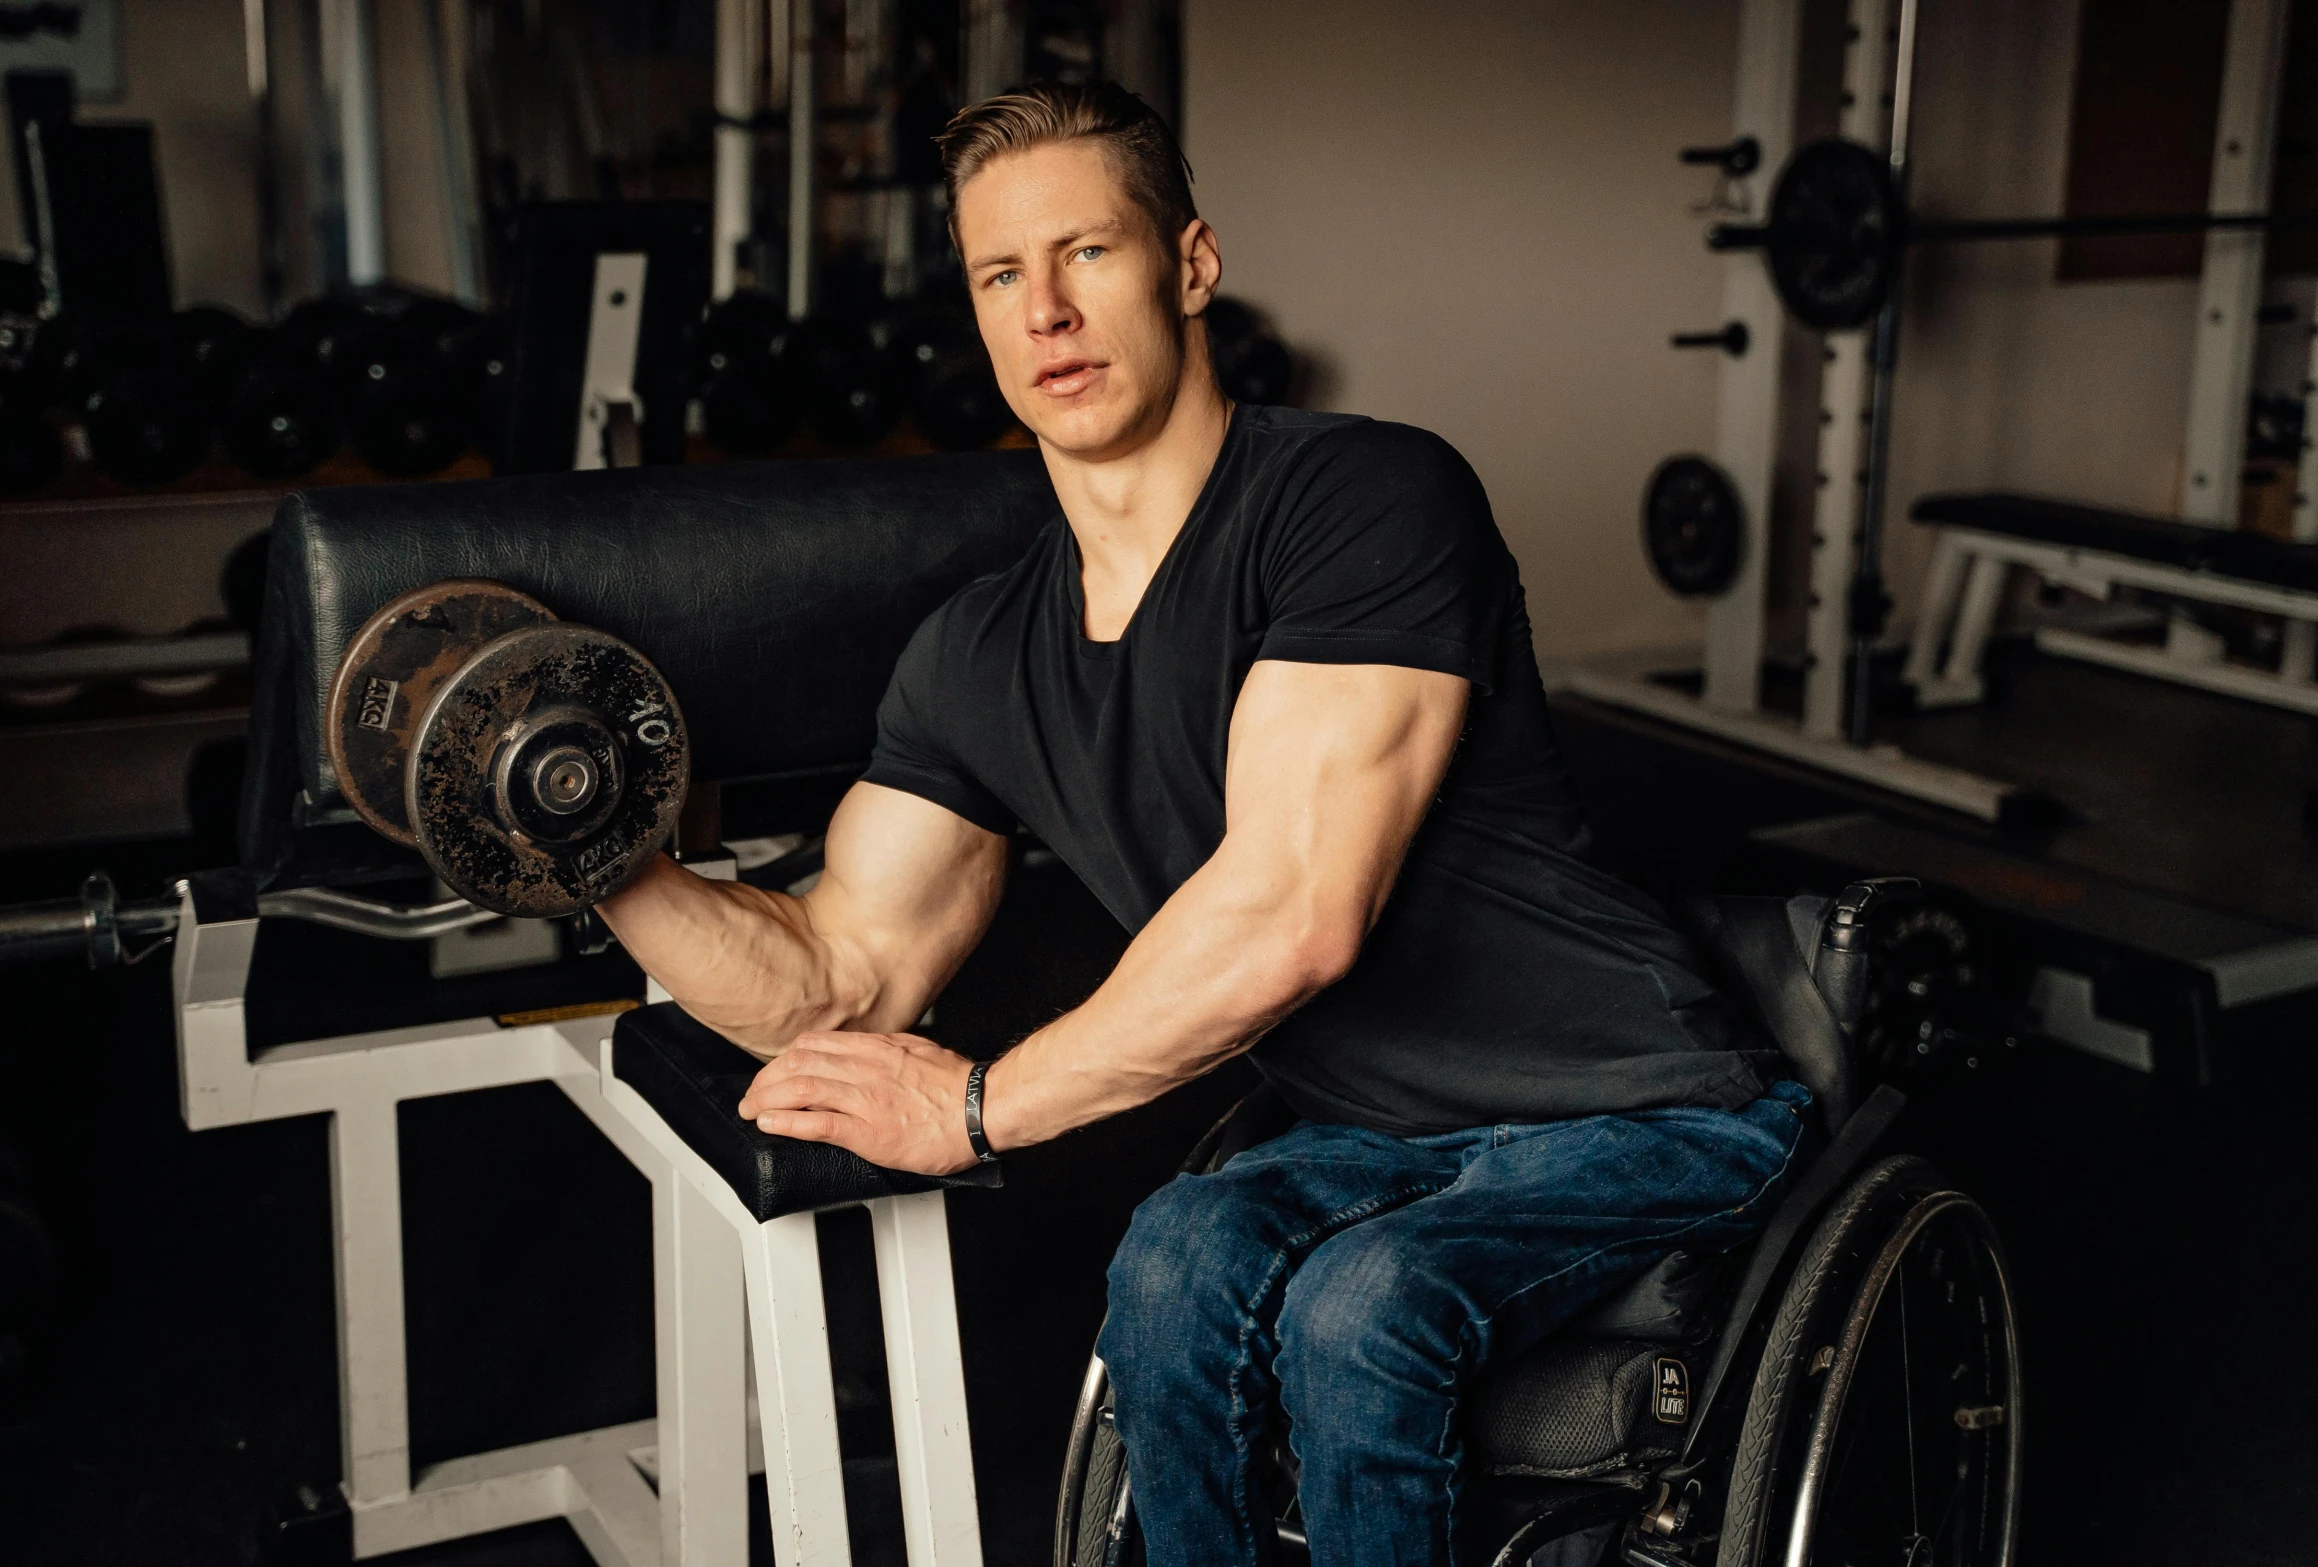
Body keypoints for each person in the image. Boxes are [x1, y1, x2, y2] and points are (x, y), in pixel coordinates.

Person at [600, 79, 1807, 1567]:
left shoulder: (1363, 498)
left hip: (1631, 1104)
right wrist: (596, 854)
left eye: (1087, 254)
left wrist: (975, 1107)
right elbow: (836, 979)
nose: (1045, 309)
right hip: (1371, 1129)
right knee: (1170, 1259)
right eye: (999, 275)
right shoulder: (980, 655)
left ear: (1188, 264)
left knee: (1364, 1308)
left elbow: (1294, 910)